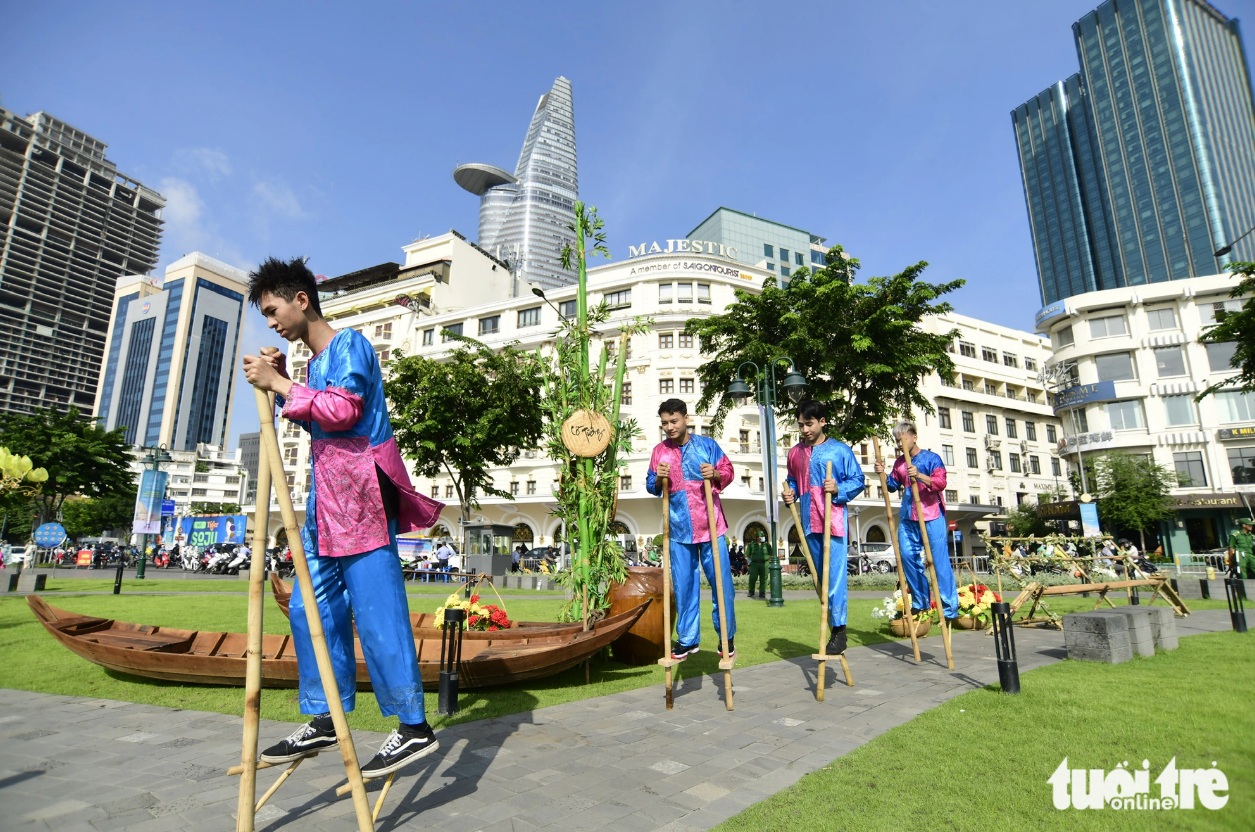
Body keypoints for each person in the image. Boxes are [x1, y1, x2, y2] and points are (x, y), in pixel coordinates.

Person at [243, 256, 445, 777]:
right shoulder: (312, 365)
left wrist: (282, 386)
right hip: (324, 505)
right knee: (310, 609)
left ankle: (413, 725)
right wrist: (288, 379)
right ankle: (325, 715)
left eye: (272, 310)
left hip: (362, 498)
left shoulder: (350, 343)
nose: (271, 322)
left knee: (378, 612)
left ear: (301, 300)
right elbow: (324, 427)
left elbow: (345, 411)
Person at [646, 398, 736, 660]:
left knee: (722, 586)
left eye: (674, 421)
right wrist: (659, 477)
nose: (669, 427)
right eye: (664, 423)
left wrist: (715, 474)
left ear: (686, 418)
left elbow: (727, 471)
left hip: (711, 527)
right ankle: (687, 639)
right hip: (678, 530)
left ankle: (726, 637)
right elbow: (652, 485)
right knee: (684, 587)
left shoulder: (707, 446)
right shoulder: (658, 452)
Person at [782, 400, 865, 654]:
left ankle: (840, 630)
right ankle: (833, 628)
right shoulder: (795, 453)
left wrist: (839, 488)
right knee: (819, 579)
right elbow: (792, 480)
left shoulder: (840, 451)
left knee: (835, 577)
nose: (805, 429)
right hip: (808, 523)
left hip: (834, 521)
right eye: (801, 425)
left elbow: (858, 479)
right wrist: (790, 493)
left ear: (822, 422)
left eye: (809, 424)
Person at [874, 420, 959, 621]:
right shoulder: (900, 463)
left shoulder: (932, 458)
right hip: (908, 516)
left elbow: (941, 482)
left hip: (931, 515)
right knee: (907, 557)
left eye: (902, 439)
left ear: (914, 437)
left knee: (938, 563)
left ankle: (948, 609)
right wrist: (882, 473)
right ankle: (920, 602)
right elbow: (892, 485)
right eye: (896, 440)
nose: (899, 443)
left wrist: (919, 475)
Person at [745, 529, 771, 600]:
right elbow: (748, 554)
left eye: (763, 536)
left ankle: (762, 592)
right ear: (757, 537)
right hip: (754, 564)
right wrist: (754, 558)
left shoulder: (767, 545)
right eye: (761, 536)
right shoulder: (752, 544)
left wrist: (766, 559)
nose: (763, 537)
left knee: (764, 578)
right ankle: (751, 591)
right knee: (753, 577)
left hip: (764, 564)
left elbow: (770, 554)